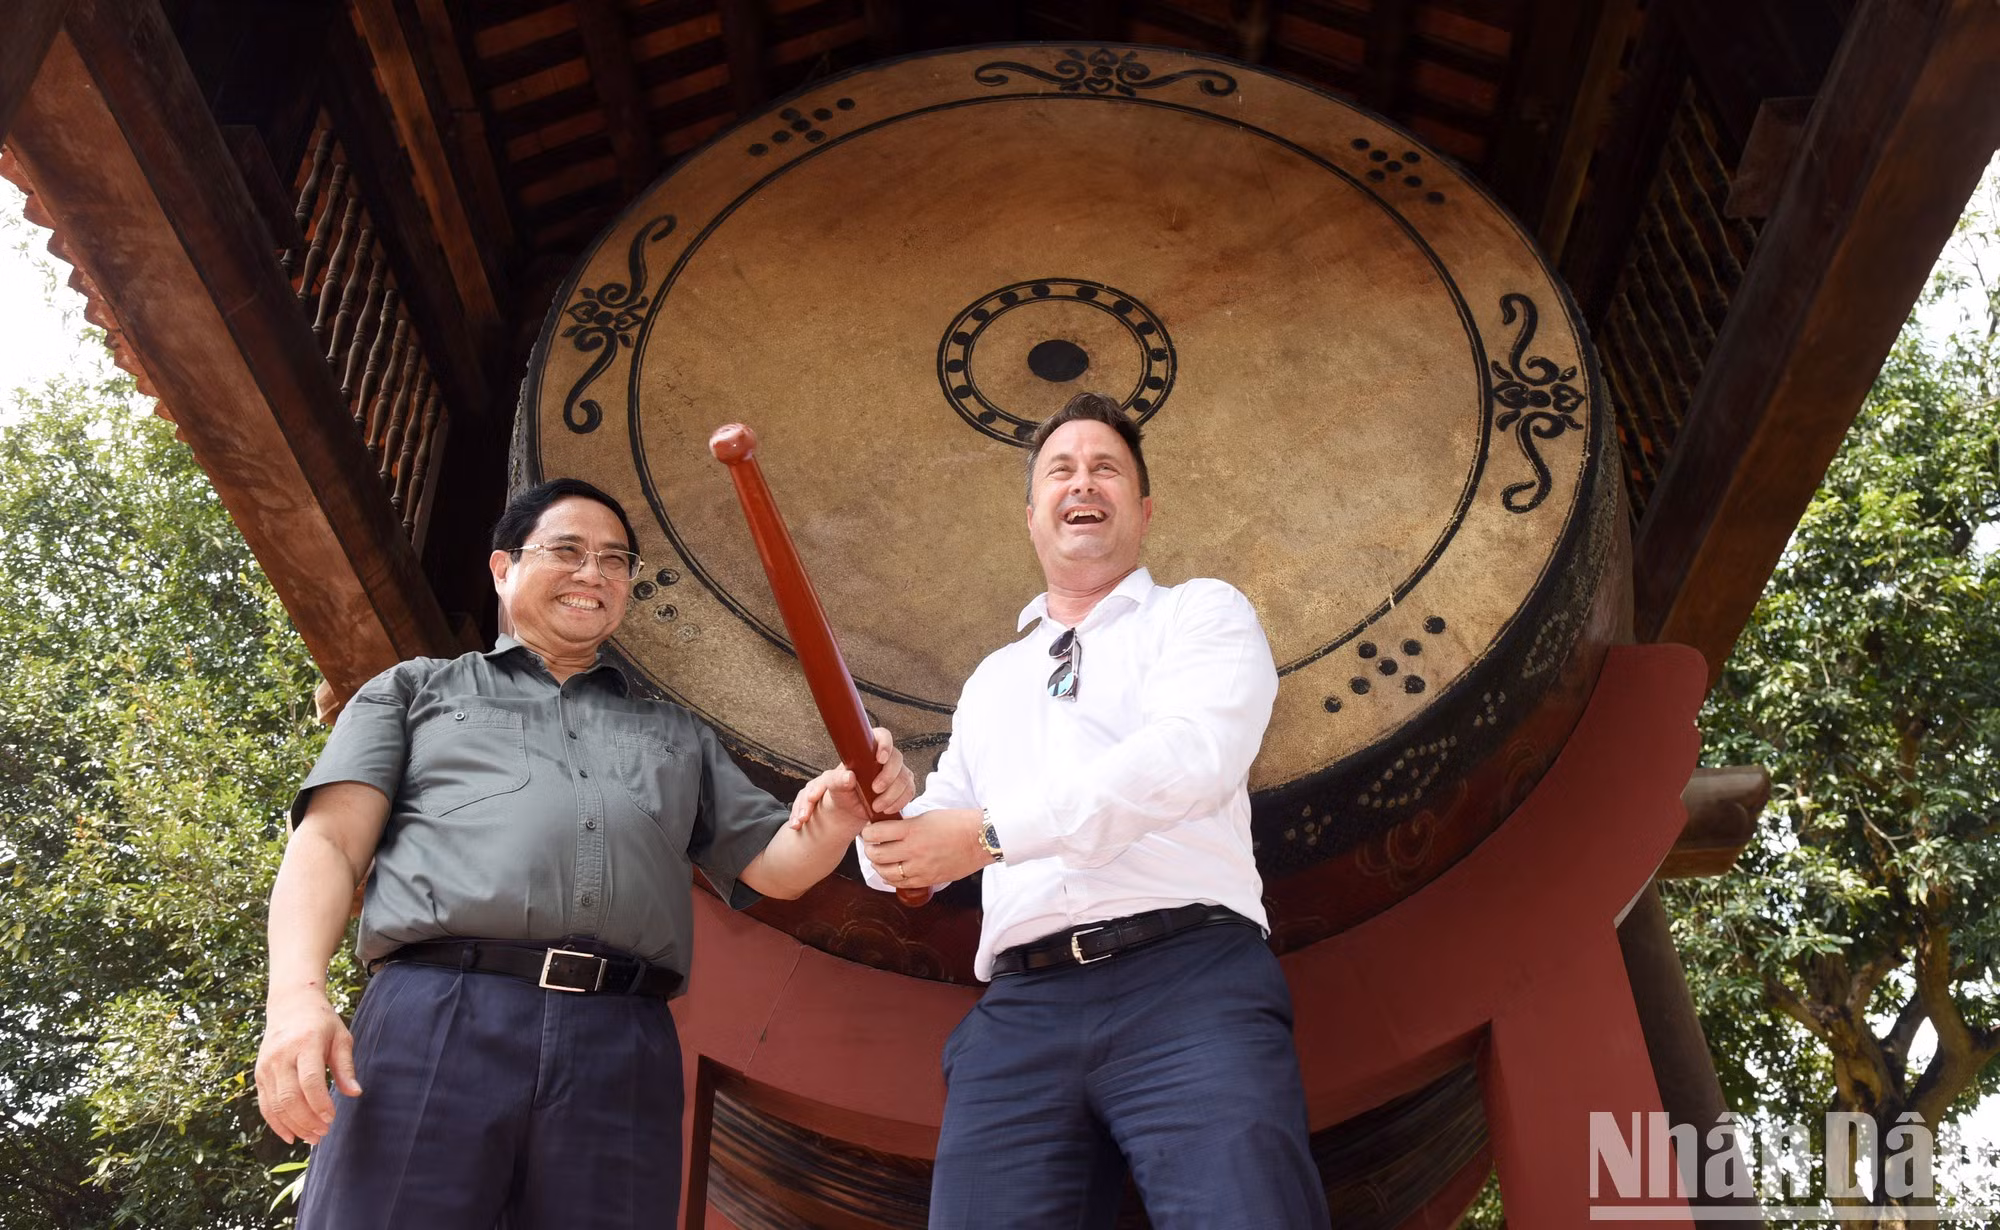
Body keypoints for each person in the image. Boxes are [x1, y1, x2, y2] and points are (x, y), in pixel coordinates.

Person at [255, 477, 913, 1229]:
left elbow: (777, 867)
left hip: (622, 1040)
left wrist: (840, 811)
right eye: (566, 551)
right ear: (502, 568)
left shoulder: (677, 733)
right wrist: (295, 998)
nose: (592, 573)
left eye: (614, 560)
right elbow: (330, 843)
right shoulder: (414, 692)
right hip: (437, 1014)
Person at [850, 392, 1328, 1227]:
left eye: (1106, 468)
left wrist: (991, 836)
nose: (1083, 482)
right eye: (1060, 471)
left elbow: (1189, 757)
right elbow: (917, 849)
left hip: (1188, 980)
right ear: (1031, 517)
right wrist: (873, 815)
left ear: (1143, 510)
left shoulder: (1201, 612)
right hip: (1020, 1011)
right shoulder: (992, 680)